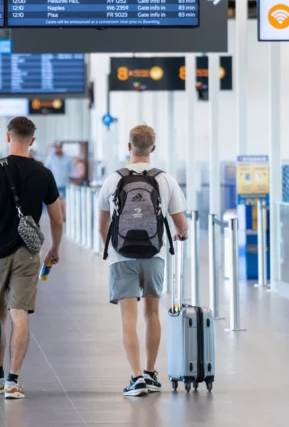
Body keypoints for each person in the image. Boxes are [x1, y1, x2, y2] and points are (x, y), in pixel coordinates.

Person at [0, 117, 63, 400]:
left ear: (7, 137)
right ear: (32, 141)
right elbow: (57, 219)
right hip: (28, 252)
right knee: (19, 314)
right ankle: (13, 380)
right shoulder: (44, 173)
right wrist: (55, 248)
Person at [97, 124, 188, 397]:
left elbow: (102, 225)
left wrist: (112, 247)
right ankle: (150, 373)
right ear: (153, 149)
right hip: (155, 254)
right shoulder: (165, 180)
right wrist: (181, 234)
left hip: (121, 255)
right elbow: (181, 225)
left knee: (128, 318)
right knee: (151, 313)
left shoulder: (113, 179)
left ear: (129, 147)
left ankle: (135, 378)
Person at [45, 142, 76, 222]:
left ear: (61, 148)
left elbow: (72, 171)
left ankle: (63, 217)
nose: (57, 149)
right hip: (54, 184)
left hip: (65, 184)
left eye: (58, 147)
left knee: (64, 202)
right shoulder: (51, 158)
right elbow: (46, 170)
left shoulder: (68, 158)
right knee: (56, 202)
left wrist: (73, 179)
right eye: (55, 148)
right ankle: (59, 217)